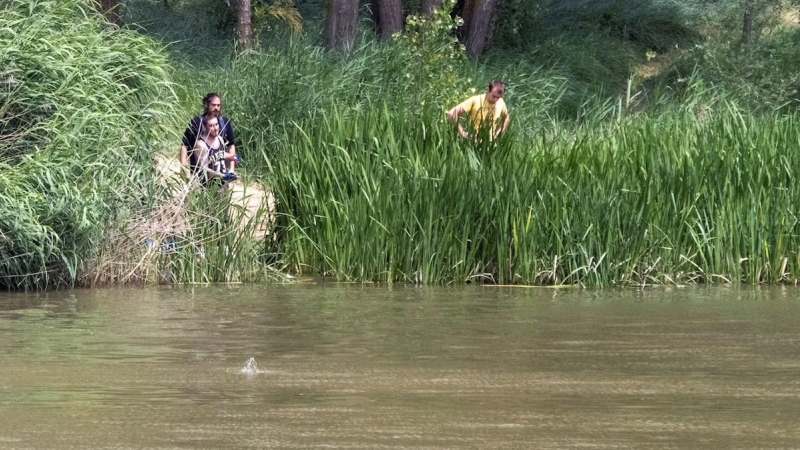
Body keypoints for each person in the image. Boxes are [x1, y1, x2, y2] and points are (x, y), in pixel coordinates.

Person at [179, 92, 240, 175]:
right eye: (213, 105)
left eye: (218, 105)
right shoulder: (196, 122)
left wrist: (232, 169)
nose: (216, 108)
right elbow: (184, 145)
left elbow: (231, 145)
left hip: (221, 173)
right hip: (199, 171)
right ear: (206, 105)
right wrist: (183, 166)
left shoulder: (225, 123)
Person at [193, 115, 237, 184]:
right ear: (205, 127)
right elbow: (204, 169)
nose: (215, 128)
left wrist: (232, 157)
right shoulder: (201, 145)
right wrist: (222, 176)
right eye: (211, 126)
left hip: (223, 184)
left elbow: (220, 155)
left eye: (216, 124)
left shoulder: (220, 139)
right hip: (208, 186)